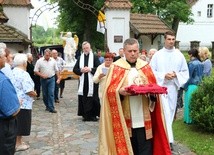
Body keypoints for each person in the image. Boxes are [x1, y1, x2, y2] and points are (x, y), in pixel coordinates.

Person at [99, 38, 171, 155]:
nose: (133, 54)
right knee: (131, 147)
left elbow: (153, 87)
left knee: (145, 148)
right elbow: (109, 91)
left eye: (135, 51)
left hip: (144, 116)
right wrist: (119, 92)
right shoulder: (116, 67)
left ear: (138, 51)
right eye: (130, 51)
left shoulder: (145, 66)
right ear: (124, 51)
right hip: (125, 117)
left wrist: (152, 92)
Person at [150, 31, 189, 149]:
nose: (171, 41)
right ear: (164, 40)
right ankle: (168, 140)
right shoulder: (158, 55)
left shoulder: (179, 55)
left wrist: (176, 74)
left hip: (172, 88)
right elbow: (151, 72)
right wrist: (163, 76)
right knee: (164, 113)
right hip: (161, 89)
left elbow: (185, 72)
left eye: (173, 39)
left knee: (171, 113)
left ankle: (167, 137)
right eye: (169, 39)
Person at [12, 53, 37, 151]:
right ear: (23, 63)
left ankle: (18, 141)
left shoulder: (12, 72)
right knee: (22, 124)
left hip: (15, 101)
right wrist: (35, 94)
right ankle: (18, 144)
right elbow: (28, 90)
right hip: (24, 103)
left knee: (17, 123)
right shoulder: (24, 74)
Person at [73, 41, 101, 122]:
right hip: (83, 82)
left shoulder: (95, 57)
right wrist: (81, 70)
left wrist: (90, 69)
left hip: (92, 82)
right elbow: (75, 69)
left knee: (93, 98)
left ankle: (93, 115)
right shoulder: (80, 58)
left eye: (87, 48)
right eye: (84, 48)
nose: (86, 49)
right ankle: (85, 115)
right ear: (82, 49)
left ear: (90, 48)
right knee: (84, 98)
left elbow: (98, 68)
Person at [0, 48, 20, 155]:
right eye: (4, 56)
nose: (5, 59)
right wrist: (19, 104)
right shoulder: (2, 80)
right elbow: (12, 111)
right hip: (4, 127)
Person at [34, 49, 60, 113]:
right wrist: (42, 75)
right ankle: (47, 106)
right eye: (46, 55)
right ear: (44, 54)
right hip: (43, 79)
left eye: (48, 55)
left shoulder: (53, 61)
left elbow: (56, 70)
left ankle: (51, 108)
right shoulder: (39, 61)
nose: (47, 56)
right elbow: (35, 71)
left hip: (51, 79)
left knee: (51, 93)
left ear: (50, 54)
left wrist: (58, 78)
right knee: (45, 94)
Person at [184, 49, 203, 124]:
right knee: (195, 103)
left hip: (191, 85)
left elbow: (189, 76)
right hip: (198, 85)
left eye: (189, 54)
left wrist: (185, 86)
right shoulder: (200, 63)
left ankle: (189, 120)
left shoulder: (191, 63)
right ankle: (195, 119)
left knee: (189, 103)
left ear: (191, 55)